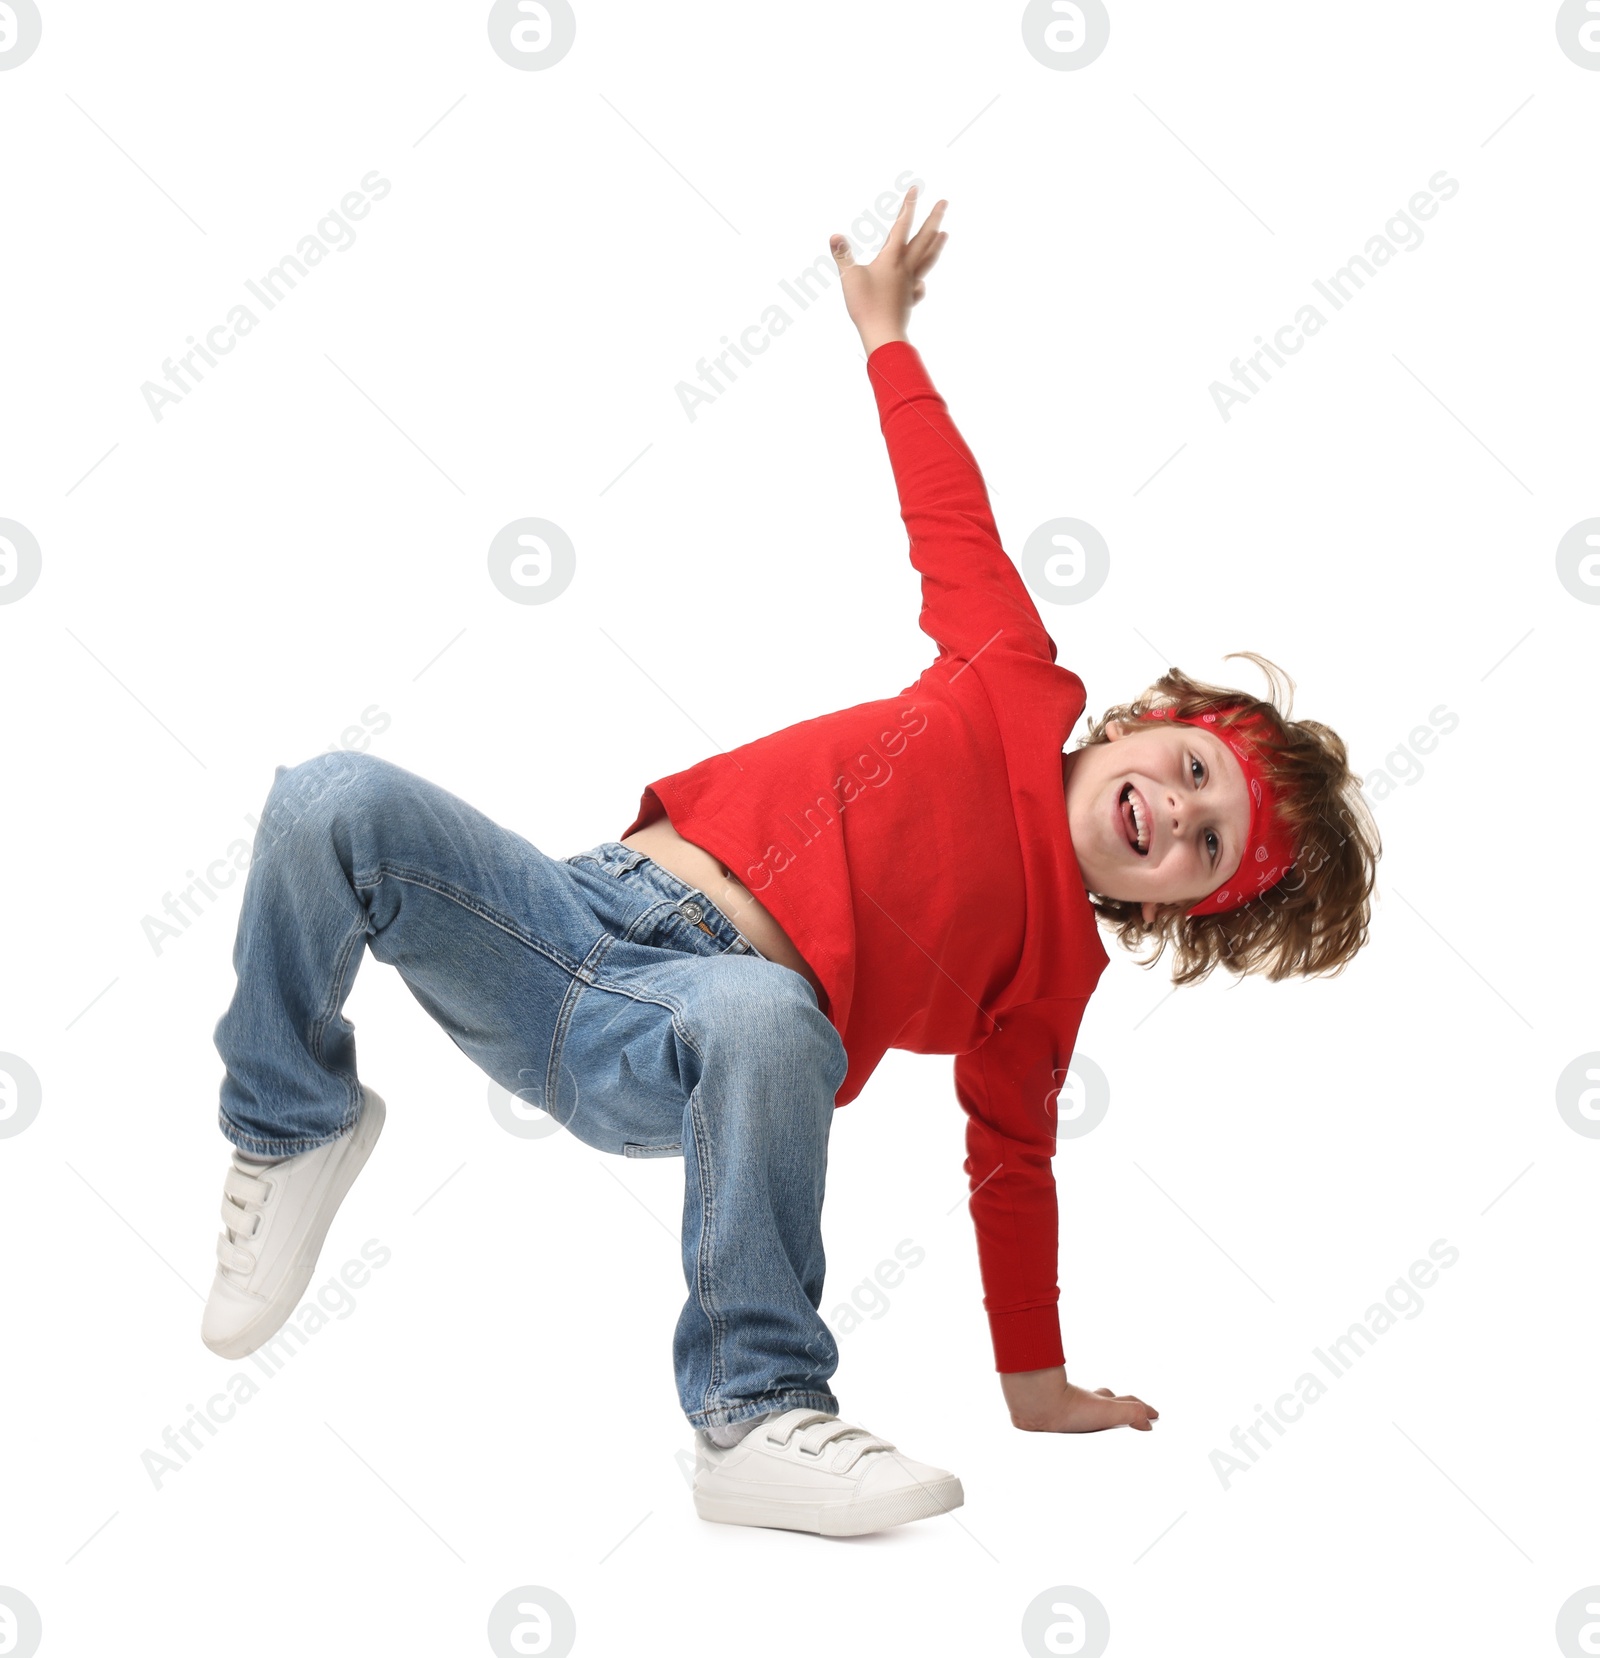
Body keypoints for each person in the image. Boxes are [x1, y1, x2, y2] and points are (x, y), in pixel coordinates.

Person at [200, 187, 1380, 1539]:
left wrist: (1038, 1385)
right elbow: (949, 510)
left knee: (768, 1010)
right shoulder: (1011, 671)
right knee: (328, 798)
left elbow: (1013, 1164)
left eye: (1208, 845)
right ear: (1138, 724)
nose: (1175, 811)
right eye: (1189, 768)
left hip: (683, 1039)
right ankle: (290, 1124)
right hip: (567, 915)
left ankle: (754, 1411)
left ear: (1179, 905)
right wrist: (885, 332)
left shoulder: (1049, 976)